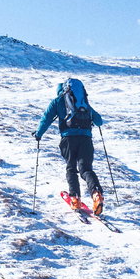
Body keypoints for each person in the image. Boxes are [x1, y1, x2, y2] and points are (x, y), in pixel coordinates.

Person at [33, 78, 105, 215]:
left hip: (68, 140)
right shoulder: (83, 102)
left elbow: (46, 118)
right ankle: (96, 193)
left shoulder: (58, 101)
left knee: (71, 168)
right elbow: (99, 121)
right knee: (86, 169)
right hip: (86, 140)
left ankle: (75, 199)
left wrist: (38, 134)